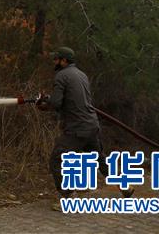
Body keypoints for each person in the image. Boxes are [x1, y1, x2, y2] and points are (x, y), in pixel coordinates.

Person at [37, 46, 134, 209]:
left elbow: (56, 103)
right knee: (100, 159)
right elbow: (73, 99)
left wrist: (44, 105)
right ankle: (125, 187)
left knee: (56, 159)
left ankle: (69, 199)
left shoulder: (61, 76)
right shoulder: (81, 75)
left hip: (77, 128)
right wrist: (49, 98)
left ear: (64, 60)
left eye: (57, 58)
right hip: (91, 125)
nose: (54, 61)